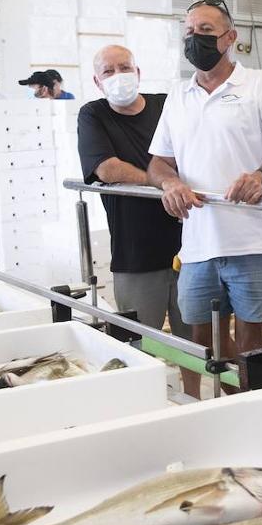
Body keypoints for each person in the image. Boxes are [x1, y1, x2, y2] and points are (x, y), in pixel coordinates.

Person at [148, 0, 262, 397]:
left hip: (253, 239)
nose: (196, 40)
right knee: (202, 336)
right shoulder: (178, 94)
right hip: (198, 243)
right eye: (189, 33)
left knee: (252, 341)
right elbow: (158, 162)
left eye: (206, 31)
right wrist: (169, 183)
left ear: (231, 37)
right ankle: (213, 405)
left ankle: (256, 410)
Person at [79, 44, 191, 347]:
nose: (119, 76)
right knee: (139, 344)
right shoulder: (94, 114)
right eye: (108, 71)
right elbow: (107, 168)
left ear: (138, 72)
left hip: (189, 246)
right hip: (136, 252)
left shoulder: (166, 106)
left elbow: (195, 155)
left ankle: (196, 396)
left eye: (125, 68)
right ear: (97, 81)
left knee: (195, 343)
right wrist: (164, 183)